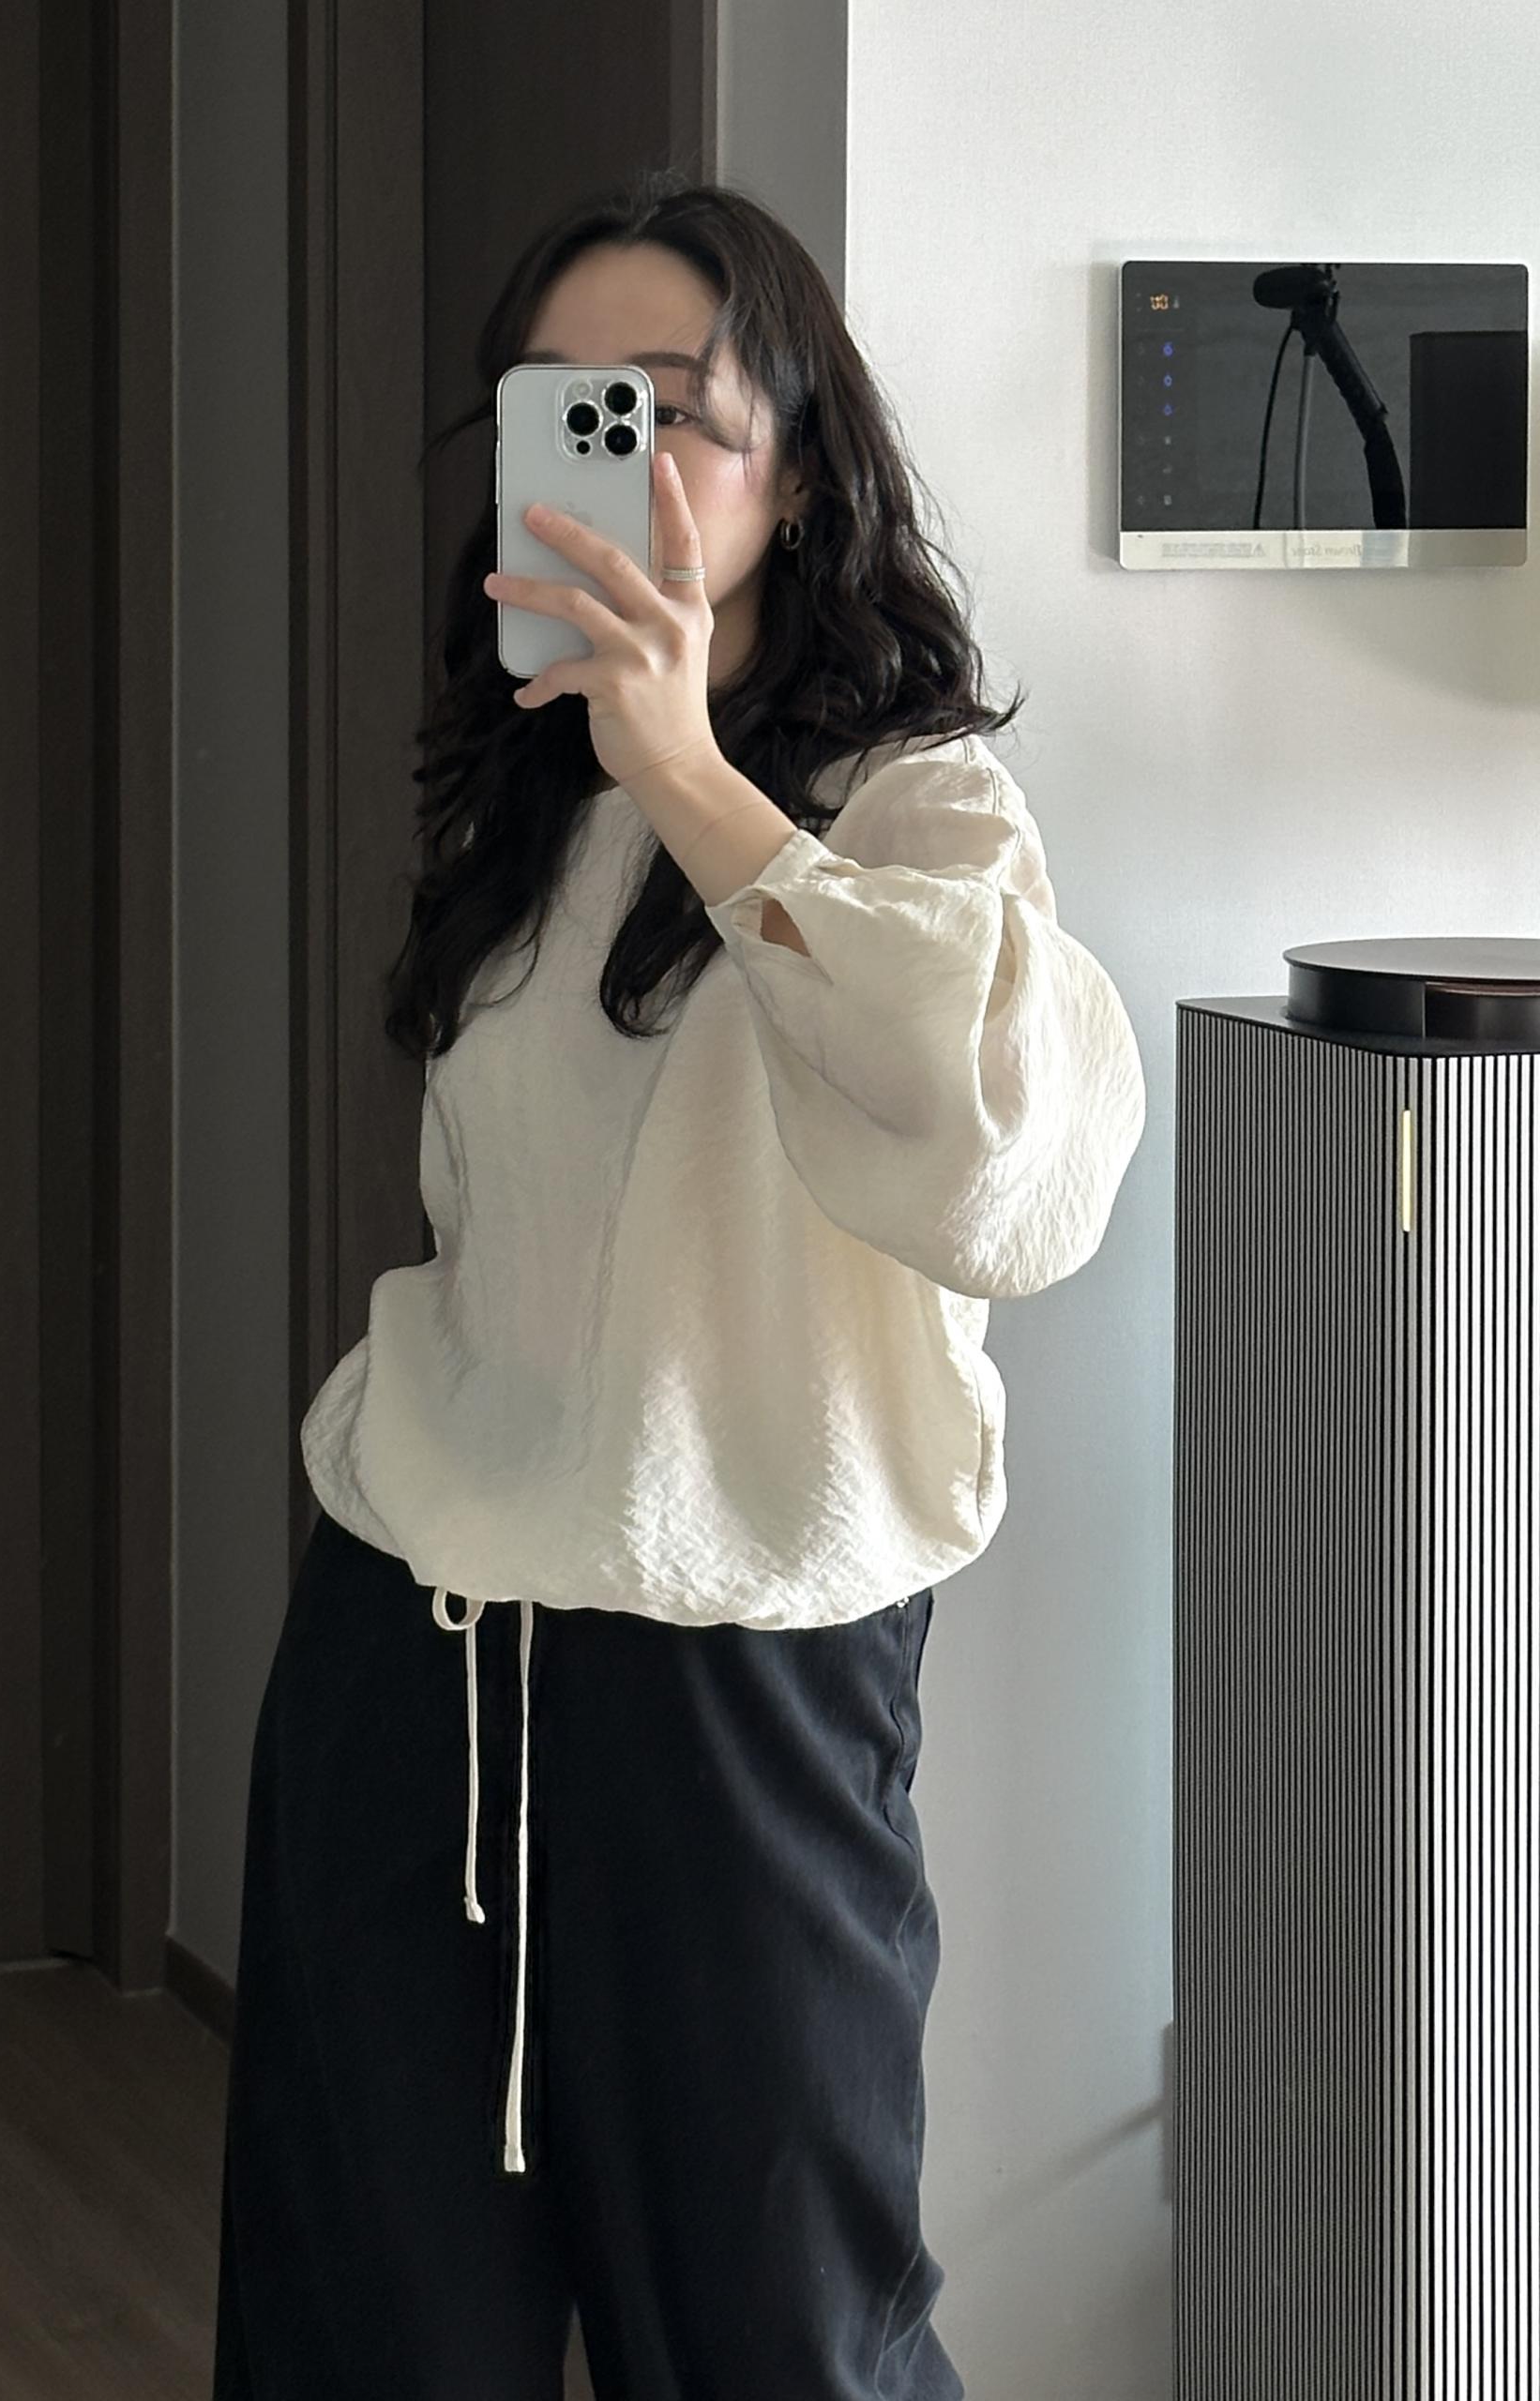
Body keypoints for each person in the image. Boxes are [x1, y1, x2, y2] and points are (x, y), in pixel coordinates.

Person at [212, 169, 1145, 2400]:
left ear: (796, 466)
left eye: (669, 408)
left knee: (780, 2339)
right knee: (365, 2339)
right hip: (414, 1642)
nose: (611, 453)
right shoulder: (521, 796)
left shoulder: (912, 801)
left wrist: (703, 787)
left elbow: (1017, 1171)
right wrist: (618, 761)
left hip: (740, 1689)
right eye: (562, 406)